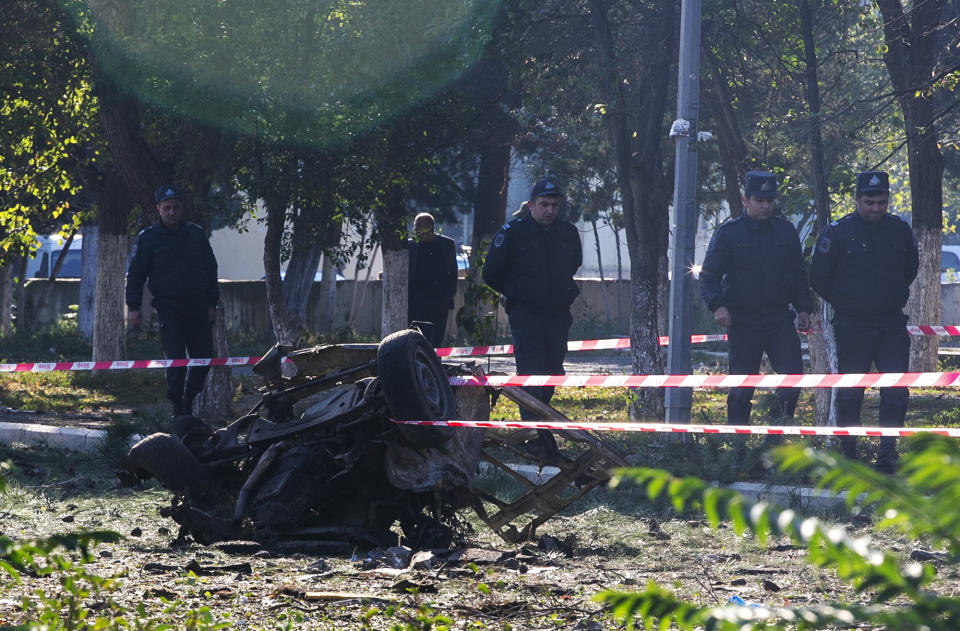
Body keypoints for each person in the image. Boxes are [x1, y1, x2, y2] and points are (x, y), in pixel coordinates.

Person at [809, 171, 918, 472]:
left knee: (895, 389)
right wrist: (847, 301)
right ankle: (848, 454)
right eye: (869, 202)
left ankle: (887, 454)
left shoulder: (898, 230)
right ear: (857, 200)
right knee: (850, 391)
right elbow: (819, 277)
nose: (876, 208)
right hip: (853, 325)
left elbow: (910, 268)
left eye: (881, 202)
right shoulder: (838, 233)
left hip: (890, 324)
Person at [700, 170, 813, 425]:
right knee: (741, 389)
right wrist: (717, 306)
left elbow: (797, 274)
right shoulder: (729, 233)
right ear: (745, 200)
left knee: (792, 381)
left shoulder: (785, 232)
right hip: (743, 320)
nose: (765, 205)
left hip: (779, 319)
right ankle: (738, 451)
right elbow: (708, 276)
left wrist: (804, 308)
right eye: (759, 200)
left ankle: (774, 441)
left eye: (770, 201)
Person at [482, 178, 582, 420]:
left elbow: (574, 264)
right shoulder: (513, 233)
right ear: (531, 205)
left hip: (557, 314)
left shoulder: (567, 233)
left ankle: (540, 424)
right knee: (531, 373)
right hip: (526, 314)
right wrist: (518, 292)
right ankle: (533, 431)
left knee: (552, 371)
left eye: (555, 205)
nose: (550, 210)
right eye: (544, 204)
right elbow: (491, 273)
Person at [126, 185, 220, 417]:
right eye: (167, 208)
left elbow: (211, 270)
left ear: (181, 208)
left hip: (198, 306)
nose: (172, 212)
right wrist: (133, 307)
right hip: (169, 308)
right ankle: (178, 407)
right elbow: (136, 274)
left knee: (204, 358)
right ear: (158, 209)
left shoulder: (196, 234)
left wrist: (211, 304)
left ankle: (190, 397)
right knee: (176, 360)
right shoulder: (148, 238)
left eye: (176, 207)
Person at [408, 212, 459, 347]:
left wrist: (448, 296)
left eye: (419, 226)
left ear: (430, 227)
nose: (416, 229)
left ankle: (435, 365)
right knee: (415, 337)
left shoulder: (446, 244)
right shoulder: (411, 246)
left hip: (439, 301)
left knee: (436, 339)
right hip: (416, 302)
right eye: (415, 226)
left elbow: (453, 273)